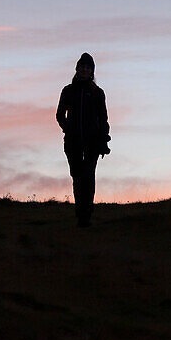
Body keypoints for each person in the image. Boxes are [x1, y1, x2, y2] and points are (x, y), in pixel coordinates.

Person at [56, 52, 110, 227]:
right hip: (72, 142)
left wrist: (103, 141)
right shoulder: (68, 91)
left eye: (88, 67)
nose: (85, 70)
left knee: (88, 176)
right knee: (77, 176)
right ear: (77, 69)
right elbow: (59, 115)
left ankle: (86, 214)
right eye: (82, 67)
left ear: (92, 71)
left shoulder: (97, 93)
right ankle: (81, 212)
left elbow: (103, 119)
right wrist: (68, 129)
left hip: (92, 142)